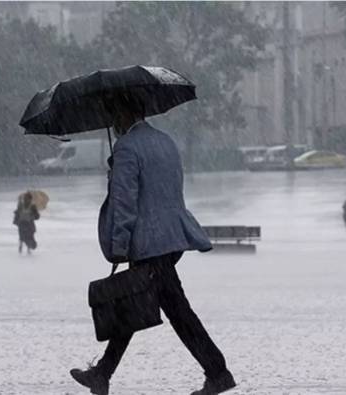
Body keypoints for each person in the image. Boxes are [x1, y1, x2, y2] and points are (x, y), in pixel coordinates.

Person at [70, 96, 235, 395]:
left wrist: (119, 244)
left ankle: (218, 372)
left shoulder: (127, 148)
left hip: (148, 244)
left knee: (174, 312)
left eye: (113, 114)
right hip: (171, 239)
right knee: (135, 303)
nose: (112, 123)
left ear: (124, 112)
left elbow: (124, 203)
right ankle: (103, 373)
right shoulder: (165, 141)